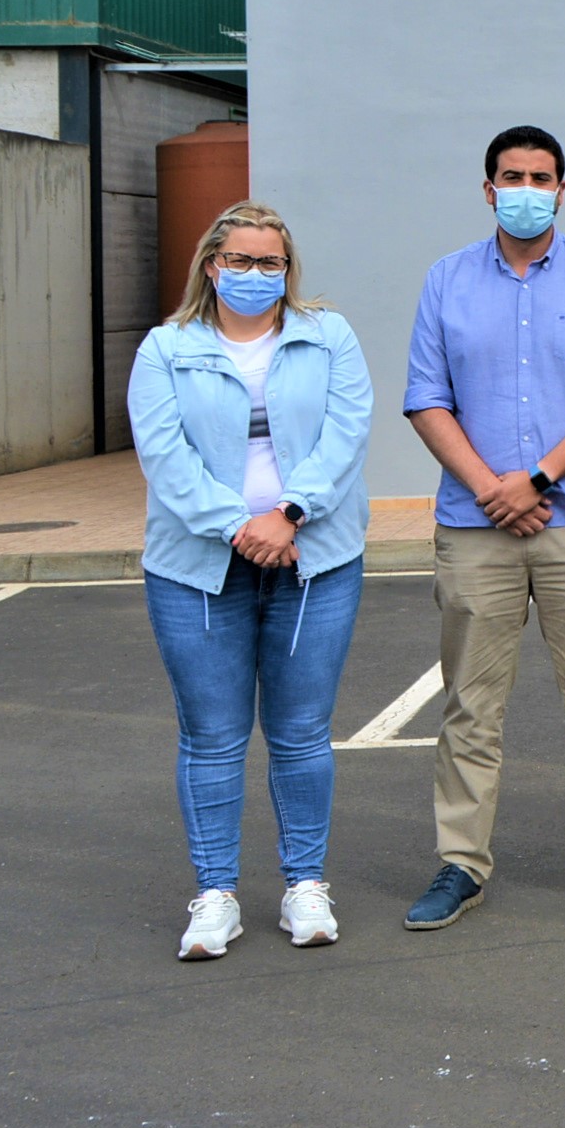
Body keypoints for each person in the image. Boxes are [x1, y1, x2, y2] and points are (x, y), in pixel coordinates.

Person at [401, 125, 565, 931]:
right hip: (477, 527)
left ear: (562, 191)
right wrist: (491, 490)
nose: (526, 190)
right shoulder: (446, 280)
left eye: (541, 178)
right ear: (488, 190)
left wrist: (536, 479)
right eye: (512, 177)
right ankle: (460, 863)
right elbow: (426, 398)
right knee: (469, 707)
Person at [130, 202, 373, 960]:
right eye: (240, 260)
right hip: (197, 567)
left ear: (287, 270)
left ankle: (306, 885)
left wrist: (290, 514)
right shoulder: (167, 348)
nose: (255, 273)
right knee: (211, 737)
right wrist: (242, 526)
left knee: (301, 734)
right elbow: (163, 454)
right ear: (212, 265)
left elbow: (346, 434)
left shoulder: (328, 336)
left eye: (271, 262)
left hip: (314, 556)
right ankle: (216, 896)